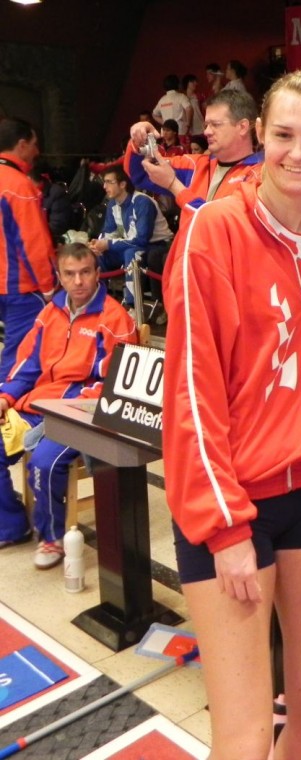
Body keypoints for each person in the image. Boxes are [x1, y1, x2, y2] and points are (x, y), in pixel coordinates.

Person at [162, 68, 301, 760]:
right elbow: (190, 390)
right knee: (243, 736)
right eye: (286, 135)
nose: (299, 153)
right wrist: (225, 526)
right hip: (233, 507)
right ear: (260, 134)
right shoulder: (213, 232)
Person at [0, 243, 137, 564]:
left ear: (98, 273)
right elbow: (28, 365)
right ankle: (12, 525)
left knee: (43, 463)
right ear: (59, 277)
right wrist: (5, 397)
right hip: (37, 406)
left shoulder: (114, 319)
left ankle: (52, 538)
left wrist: (65, 410)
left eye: (85, 272)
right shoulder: (49, 313)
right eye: (70, 274)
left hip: (81, 413)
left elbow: (114, 385)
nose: (78, 281)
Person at [124, 89, 261, 216]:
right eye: (206, 125)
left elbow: (219, 222)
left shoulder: (262, 175)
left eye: (216, 124)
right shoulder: (194, 165)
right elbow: (138, 173)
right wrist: (138, 141)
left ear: (242, 127)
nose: (206, 131)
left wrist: (173, 185)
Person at [0, 117, 56, 380]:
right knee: (19, 358)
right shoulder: (19, 185)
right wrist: (49, 287)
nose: (37, 151)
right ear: (22, 145)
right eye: (34, 144)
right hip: (21, 288)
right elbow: (33, 243)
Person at [88, 165, 172, 312]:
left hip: (157, 245)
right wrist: (98, 244)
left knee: (131, 253)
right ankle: (99, 302)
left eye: (109, 182)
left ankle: (133, 307)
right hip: (131, 243)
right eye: (104, 182)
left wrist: (108, 244)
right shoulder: (112, 203)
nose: (104, 186)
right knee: (97, 256)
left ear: (122, 184)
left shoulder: (142, 202)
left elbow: (141, 239)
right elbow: (109, 232)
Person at [152, 74, 193, 140]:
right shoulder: (181, 96)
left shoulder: (162, 100)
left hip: (166, 133)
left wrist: (164, 122)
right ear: (178, 84)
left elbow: (154, 114)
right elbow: (189, 109)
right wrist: (188, 124)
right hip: (180, 131)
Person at [182, 74, 205, 138]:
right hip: (187, 130)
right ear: (187, 83)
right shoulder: (182, 97)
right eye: (192, 81)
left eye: (196, 81)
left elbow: (205, 109)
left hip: (200, 127)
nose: (195, 83)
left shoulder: (199, 96)